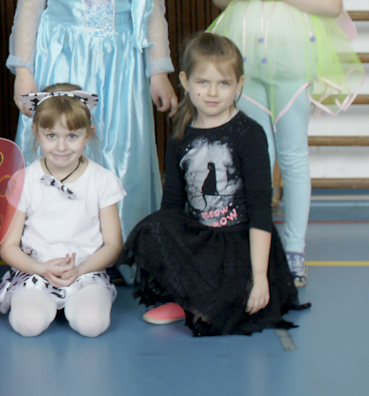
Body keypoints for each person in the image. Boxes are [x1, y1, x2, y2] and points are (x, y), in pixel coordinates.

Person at [210, 0, 364, 287]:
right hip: (244, 59)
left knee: (293, 156)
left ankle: (294, 249)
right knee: (253, 157)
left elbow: (331, 2)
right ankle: (254, 248)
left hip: (293, 58)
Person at [8, 0, 176, 240]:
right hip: (61, 63)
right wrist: (23, 70)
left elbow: (152, 13)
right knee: (62, 141)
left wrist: (158, 71)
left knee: (118, 144)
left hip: (119, 68)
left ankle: (118, 244)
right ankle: (52, 241)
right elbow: (28, 9)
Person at [121, 33, 306, 336]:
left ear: (239, 85)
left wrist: (260, 277)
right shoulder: (180, 136)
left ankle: (214, 298)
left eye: (224, 83)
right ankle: (183, 298)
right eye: (203, 82)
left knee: (222, 313)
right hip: (202, 240)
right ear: (185, 81)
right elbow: (172, 206)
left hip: (239, 243)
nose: (212, 92)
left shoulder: (249, 134)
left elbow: (260, 210)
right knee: (153, 227)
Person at [0, 85, 124, 338]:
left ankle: (81, 300)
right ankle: (42, 301)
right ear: (36, 133)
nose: (61, 146)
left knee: (91, 325)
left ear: (88, 134)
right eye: (51, 135)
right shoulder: (24, 180)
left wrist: (79, 270)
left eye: (72, 136)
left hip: (86, 271)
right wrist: (40, 269)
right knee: (28, 324)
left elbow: (113, 244)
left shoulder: (103, 180)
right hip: (35, 271)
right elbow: (8, 247)